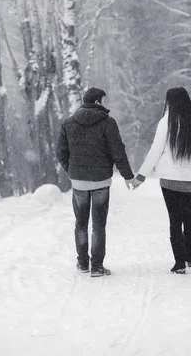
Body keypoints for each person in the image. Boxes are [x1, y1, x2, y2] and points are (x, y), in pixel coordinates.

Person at [56, 87, 134, 277]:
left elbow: (61, 153)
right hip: (100, 182)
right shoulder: (108, 123)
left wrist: (73, 170)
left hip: (79, 183)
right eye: (105, 101)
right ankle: (97, 267)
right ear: (98, 102)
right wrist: (128, 175)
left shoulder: (68, 123)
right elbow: (118, 151)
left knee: (80, 224)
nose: (106, 104)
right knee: (98, 226)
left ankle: (83, 263)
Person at [131, 87, 191, 274]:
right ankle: (189, 256)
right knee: (188, 216)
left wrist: (141, 175)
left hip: (170, 181)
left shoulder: (166, 123)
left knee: (175, 219)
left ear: (169, 102)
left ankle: (179, 262)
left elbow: (155, 151)